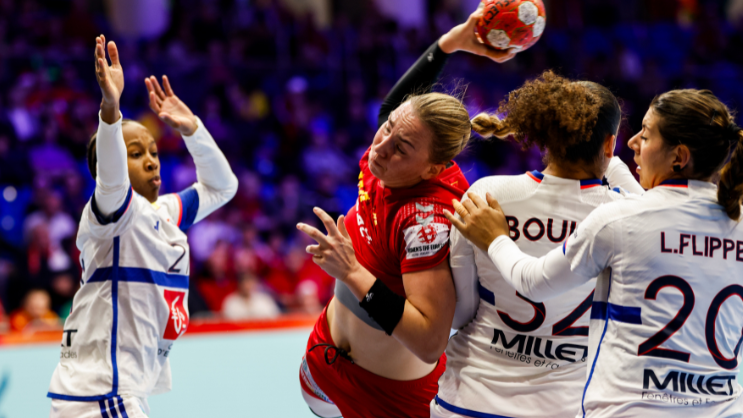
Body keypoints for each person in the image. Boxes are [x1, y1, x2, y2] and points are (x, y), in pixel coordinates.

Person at [449, 89, 743, 417]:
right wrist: (600, 149)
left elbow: (527, 284)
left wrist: (496, 239)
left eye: (645, 136)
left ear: (679, 157)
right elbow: (651, 205)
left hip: (625, 409)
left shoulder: (618, 218)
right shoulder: (641, 210)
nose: (633, 142)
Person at [294, 11, 515, 418]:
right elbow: (394, 111)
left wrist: (352, 272)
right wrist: (450, 42)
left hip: (385, 400)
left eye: (401, 146)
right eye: (387, 130)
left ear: (432, 169)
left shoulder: (424, 220)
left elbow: (429, 341)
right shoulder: (390, 155)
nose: (380, 147)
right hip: (322, 362)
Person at [431, 71, 643, 418]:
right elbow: (654, 209)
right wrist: (612, 160)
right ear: (610, 144)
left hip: (467, 399)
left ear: (547, 136)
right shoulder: (627, 215)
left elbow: (459, 315)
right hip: (564, 407)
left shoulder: (486, 194)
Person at [47, 35, 238, 418]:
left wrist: (193, 130)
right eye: (135, 154)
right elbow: (112, 179)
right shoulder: (113, 211)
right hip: (103, 391)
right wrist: (110, 109)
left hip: (113, 391)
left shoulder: (164, 212)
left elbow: (222, 187)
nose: (151, 161)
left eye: (153, 151)